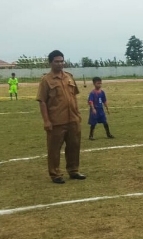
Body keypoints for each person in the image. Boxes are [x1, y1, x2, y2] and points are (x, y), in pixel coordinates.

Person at [36, 50, 86, 184]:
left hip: (73, 120)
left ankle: (74, 170)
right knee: (54, 149)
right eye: (57, 61)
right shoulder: (46, 80)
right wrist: (46, 121)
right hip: (56, 121)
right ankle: (55, 174)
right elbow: (42, 101)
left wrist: (78, 113)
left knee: (74, 146)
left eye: (62, 61)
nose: (60, 64)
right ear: (51, 62)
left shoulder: (69, 77)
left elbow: (74, 96)